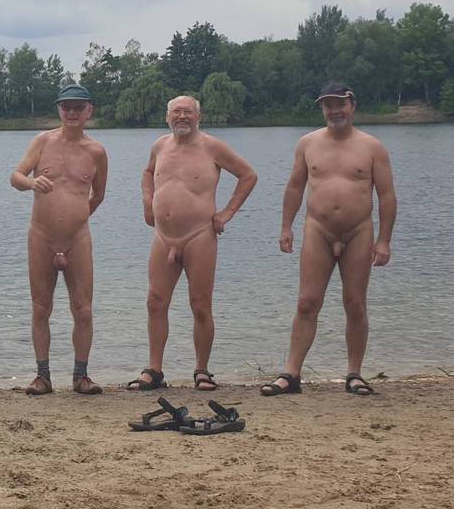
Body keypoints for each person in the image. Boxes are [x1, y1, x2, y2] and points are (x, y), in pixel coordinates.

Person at [261, 83, 396, 397]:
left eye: (340, 104)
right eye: (328, 105)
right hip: (318, 230)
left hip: (358, 231)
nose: (335, 110)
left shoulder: (372, 147)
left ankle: (354, 374)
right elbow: (295, 187)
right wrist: (286, 227)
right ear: (322, 109)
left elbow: (387, 195)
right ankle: (291, 374)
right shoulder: (308, 143)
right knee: (307, 302)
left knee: (355, 303)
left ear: (352, 105)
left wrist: (384, 240)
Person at [129, 95, 257, 392]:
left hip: (199, 235)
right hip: (163, 236)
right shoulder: (160, 146)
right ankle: (154, 370)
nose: (182, 117)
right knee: (155, 301)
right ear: (167, 117)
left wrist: (227, 212)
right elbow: (147, 172)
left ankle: (202, 370)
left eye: (188, 112)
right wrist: (147, 201)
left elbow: (248, 175)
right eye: (176, 112)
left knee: (200, 304)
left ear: (199, 117)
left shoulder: (212, 147)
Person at [10, 83, 109, 395]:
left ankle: (81, 375)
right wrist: (31, 183)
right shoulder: (43, 141)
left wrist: (76, 217)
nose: (72, 112)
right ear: (59, 110)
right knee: (41, 308)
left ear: (89, 111)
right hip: (41, 236)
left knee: (83, 309)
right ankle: (43, 376)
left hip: (78, 239)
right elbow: (16, 177)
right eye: (67, 107)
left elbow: (99, 195)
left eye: (78, 107)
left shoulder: (96, 152)